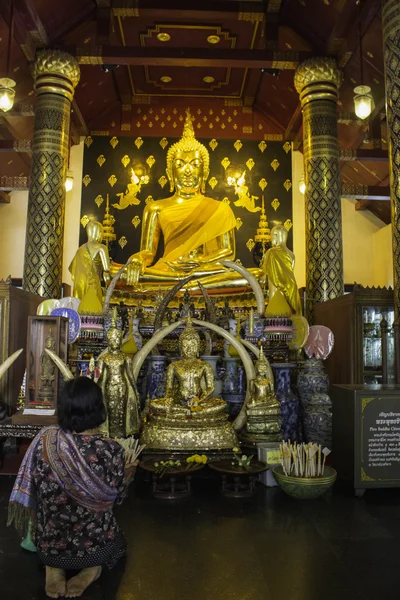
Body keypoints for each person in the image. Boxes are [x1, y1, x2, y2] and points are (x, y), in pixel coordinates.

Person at [8, 377, 137, 599]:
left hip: (49, 543)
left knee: (52, 523)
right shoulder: (111, 450)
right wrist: (127, 477)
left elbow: (36, 492)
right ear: (98, 408)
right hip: (94, 546)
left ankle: (54, 567)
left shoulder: (45, 441)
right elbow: (117, 499)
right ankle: (91, 569)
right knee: (117, 541)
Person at [69, 221, 111, 314]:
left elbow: (73, 272)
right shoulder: (102, 248)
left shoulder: (80, 250)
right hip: (93, 286)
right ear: (99, 233)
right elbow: (107, 271)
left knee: (79, 312)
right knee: (94, 314)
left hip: (79, 287)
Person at [261, 224, 302, 315]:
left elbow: (263, 275)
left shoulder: (271, 252)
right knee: (290, 316)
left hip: (276, 288)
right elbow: (290, 273)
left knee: (275, 315)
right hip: (291, 288)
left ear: (276, 236)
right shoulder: (292, 254)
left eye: (272, 237)